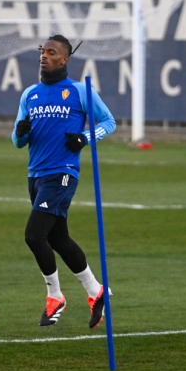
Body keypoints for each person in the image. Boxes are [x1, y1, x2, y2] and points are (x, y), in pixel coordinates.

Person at [12, 35, 116, 329]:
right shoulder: (30, 94)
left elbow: (108, 122)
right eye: (42, 51)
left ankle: (54, 296)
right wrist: (20, 132)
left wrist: (85, 138)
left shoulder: (80, 91)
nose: (44, 56)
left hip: (62, 174)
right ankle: (97, 292)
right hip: (35, 176)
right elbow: (17, 141)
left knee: (34, 236)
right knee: (57, 238)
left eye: (51, 52)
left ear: (64, 59)